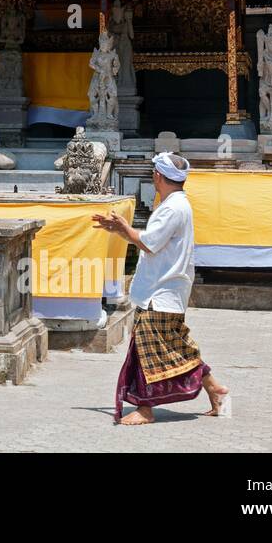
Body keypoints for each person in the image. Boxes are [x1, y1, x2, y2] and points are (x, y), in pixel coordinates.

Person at [92, 152, 229, 425]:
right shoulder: (176, 204)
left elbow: (149, 243)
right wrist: (121, 231)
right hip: (166, 290)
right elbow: (150, 241)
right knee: (174, 345)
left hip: (161, 292)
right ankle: (214, 387)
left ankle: (145, 408)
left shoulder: (172, 208)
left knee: (147, 350)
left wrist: (124, 228)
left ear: (158, 176)